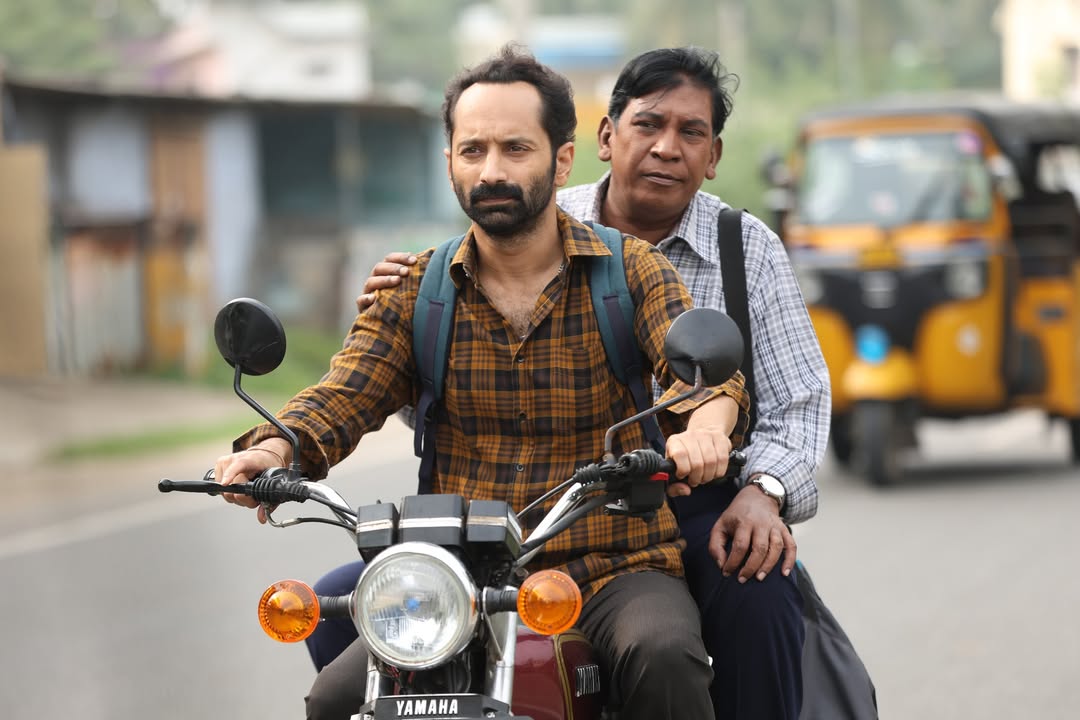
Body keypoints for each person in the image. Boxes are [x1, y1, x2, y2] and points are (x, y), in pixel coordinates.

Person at [214, 45, 752, 720]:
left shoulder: (632, 272)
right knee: (336, 699)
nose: (492, 170)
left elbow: (703, 380)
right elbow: (343, 395)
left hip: (613, 565)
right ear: (449, 163)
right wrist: (272, 451)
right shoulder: (417, 291)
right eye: (472, 151)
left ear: (560, 159)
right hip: (456, 579)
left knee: (664, 655)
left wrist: (703, 431)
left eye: (514, 148)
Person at [351, 47, 831, 720]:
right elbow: (433, 387)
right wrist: (397, 338)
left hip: (687, 503)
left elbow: (794, 403)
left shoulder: (741, 248)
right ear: (603, 139)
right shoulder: (525, 214)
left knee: (756, 598)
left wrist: (760, 492)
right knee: (342, 613)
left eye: (691, 133)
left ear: (714, 155)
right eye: (649, 124)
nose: (667, 147)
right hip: (515, 512)